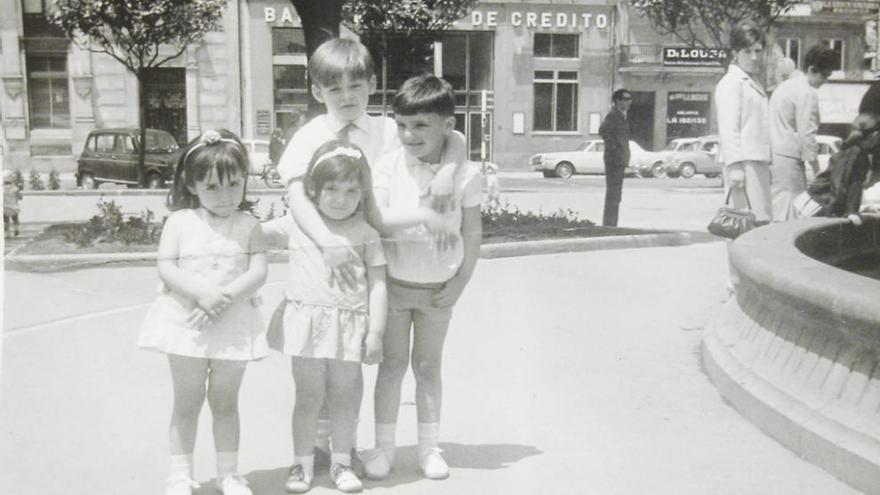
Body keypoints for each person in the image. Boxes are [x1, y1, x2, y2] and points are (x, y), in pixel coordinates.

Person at [275, 37, 466, 472]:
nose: (347, 97)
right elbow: (296, 199)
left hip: (372, 262)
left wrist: (447, 174)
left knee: (352, 355)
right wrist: (327, 242)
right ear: (316, 91)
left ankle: (344, 448)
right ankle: (319, 445)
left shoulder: (386, 130)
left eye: (356, 87)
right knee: (318, 359)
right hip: (322, 261)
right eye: (335, 88)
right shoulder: (309, 136)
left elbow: (449, 135)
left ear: (373, 85)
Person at [363, 75, 483, 481]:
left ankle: (429, 447)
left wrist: (461, 282)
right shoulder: (387, 164)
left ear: (447, 127)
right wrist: (423, 215)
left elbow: (472, 232)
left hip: (438, 290)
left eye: (420, 125)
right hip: (395, 285)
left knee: (429, 367)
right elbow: (376, 218)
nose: (408, 135)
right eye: (401, 125)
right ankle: (383, 448)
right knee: (391, 367)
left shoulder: (464, 174)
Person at [138, 129, 268, 495]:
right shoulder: (179, 222)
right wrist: (202, 294)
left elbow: (258, 272)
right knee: (187, 401)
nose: (225, 196)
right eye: (212, 187)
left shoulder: (249, 226)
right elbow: (166, 267)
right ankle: (180, 475)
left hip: (233, 323)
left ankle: (228, 473)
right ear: (191, 184)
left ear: (245, 181)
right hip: (187, 323)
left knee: (226, 402)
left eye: (234, 185)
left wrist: (222, 297)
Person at [262, 141, 388, 493]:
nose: (340, 198)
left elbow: (378, 285)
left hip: (349, 328)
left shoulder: (366, 234)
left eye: (351, 190)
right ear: (313, 190)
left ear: (363, 193)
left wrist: (375, 332)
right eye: (331, 188)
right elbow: (251, 234)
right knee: (308, 397)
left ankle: (342, 463)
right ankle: (301, 465)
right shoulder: (297, 224)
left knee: (344, 398)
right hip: (307, 329)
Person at [769, 44, 837, 221]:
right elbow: (807, 134)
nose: (826, 80)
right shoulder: (807, 93)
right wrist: (816, 170)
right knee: (792, 212)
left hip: (774, 155)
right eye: (825, 75)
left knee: (780, 207)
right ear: (812, 69)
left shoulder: (785, 87)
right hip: (791, 158)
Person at [715, 22, 772, 224]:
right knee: (743, 223)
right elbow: (729, 129)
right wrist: (735, 167)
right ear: (735, 53)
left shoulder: (752, 81)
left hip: (756, 162)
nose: (754, 57)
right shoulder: (731, 83)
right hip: (743, 165)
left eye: (758, 50)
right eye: (748, 51)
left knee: (758, 222)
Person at [598, 89, 632, 226]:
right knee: (613, 193)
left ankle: (611, 223)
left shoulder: (621, 116)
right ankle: (610, 224)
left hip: (618, 160)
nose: (628, 102)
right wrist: (614, 148)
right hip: (614, 160)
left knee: (615, 194)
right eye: (625, 99)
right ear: (617, 101)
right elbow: (603, 131)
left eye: (630, 99)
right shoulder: (613, 116)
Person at [3, 171, 22, 237]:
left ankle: (6, 232)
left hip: (4, 206)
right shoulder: (15, 188)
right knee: (15, 219)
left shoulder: (2, 188)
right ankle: (16, 229)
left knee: (5, 220)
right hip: (14, 206)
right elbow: (20, 197)